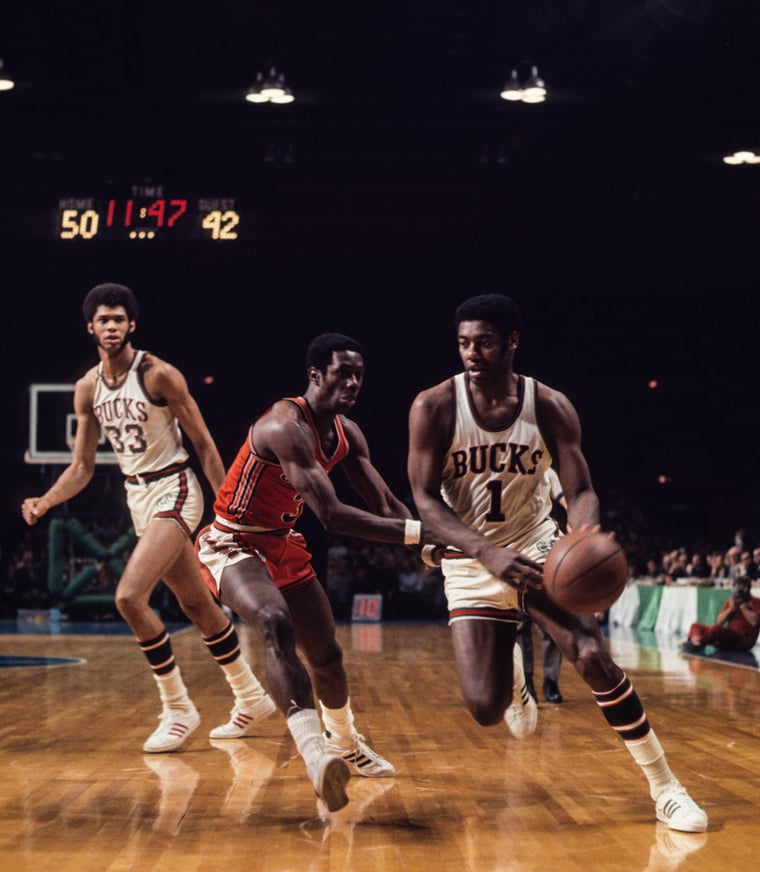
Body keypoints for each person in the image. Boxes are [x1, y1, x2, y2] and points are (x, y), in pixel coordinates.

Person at [407, 292, 708, 833]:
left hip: (537, 545)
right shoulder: (434, 406)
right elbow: (425, 500)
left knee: (590, 654)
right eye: (463, 343)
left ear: (512, 343)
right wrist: (485, 551)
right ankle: (515, 675)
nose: (472, 354)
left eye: (485, 343)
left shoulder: (548, 405)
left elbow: (582, 488)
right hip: (474, 558)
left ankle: (666, 787)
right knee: (484, 708)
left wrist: (582, 534)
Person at [21, 283, 276, 753]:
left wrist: (228, 509)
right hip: (138, 497)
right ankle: (251, 695)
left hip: (175, 487)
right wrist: (46, 500)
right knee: (197, 605)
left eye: (120, 318)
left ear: (132, 324)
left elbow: (202, 442)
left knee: (128, 596)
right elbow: (81, 467)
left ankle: (178, 708)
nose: (112, 326)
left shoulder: (159, 375)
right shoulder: (87, 388)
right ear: (90, 327)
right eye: (104, 319)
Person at [195, 332, 437, 813]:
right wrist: (416, 535)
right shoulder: (284, 425)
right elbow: (332, 514)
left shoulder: (348, 432)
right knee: (272, 620)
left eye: (359, 374)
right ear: (314, 375)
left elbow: (385, 504)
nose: (353, 382)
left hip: (281, 542)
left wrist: (429, 549)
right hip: (232, 539)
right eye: (342, 372)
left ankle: (344, 742)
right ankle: (314, 757)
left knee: (327, 655)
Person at [518, 466, 565, 703]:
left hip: (543, 547)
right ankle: (527, 682)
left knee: (552, 626)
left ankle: (551, 681)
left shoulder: (546, 470)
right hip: (512, 550)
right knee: (519, 627)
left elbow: (566, 500)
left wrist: (578, 526)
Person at [680, 575, 760, 653]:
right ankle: (697, 641)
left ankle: (698, 641)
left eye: (743, 588)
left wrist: (742, 607)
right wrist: (731, 609)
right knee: (695, 626)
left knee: (716, 629)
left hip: (743, 641)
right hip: (728, 638)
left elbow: (755, 622)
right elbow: (719, 621)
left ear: (748, 588)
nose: (740, 590)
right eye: (737, 587)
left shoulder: (756, 601)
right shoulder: (732, 601)